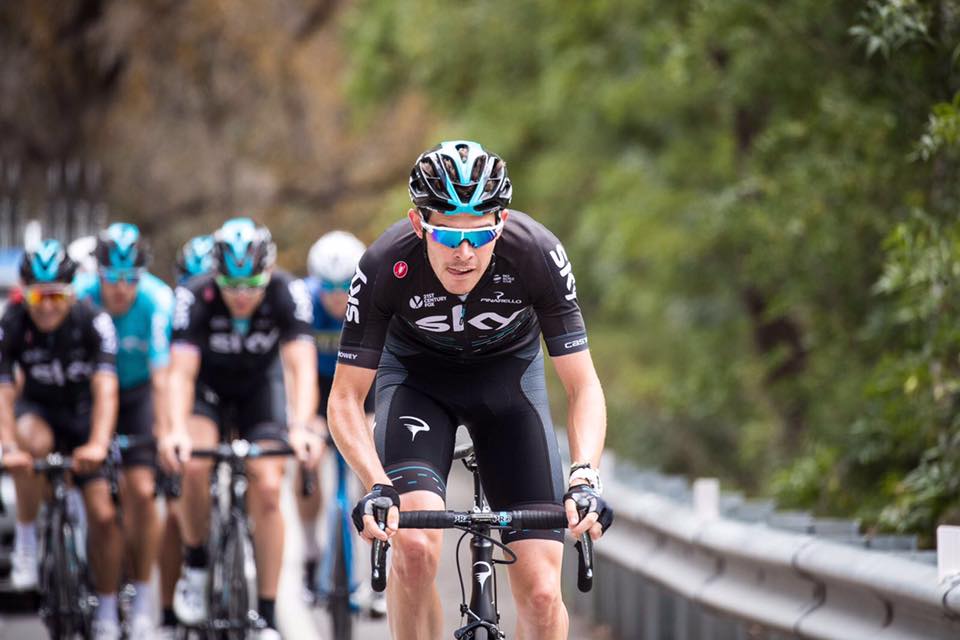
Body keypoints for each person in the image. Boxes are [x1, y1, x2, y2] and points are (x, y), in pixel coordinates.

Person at [328, 140, 614, 640]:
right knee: (414, 548)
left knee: (542, 593)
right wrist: (376, 485)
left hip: (508, 388)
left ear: (500, 223)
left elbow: (583, 385)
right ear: (419, 224)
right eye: (447, 234)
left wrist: (585, 474)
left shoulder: (536, 254)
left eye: (480, 234)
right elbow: (345, 398)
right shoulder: (384, 264)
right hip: (418, 385)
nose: (464, 253)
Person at [160, 217, 322, 639]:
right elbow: (180, 375)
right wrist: (174, 429)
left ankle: (266, 615)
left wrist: (303, 426)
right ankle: (196, 564)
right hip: (207, 393)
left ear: (268, 272)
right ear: (215, 276)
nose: (242, 295)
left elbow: (301, 368)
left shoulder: (287, 291)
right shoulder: (193, 296)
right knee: (194, 463)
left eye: (252, 284)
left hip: (259, 392)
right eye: (231, 285)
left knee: (267, 486)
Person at [0, 239, 124, 639]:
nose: (47, 307)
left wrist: (99, 444)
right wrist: (8, 446)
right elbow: (3, 391)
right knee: (28, 446)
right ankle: (27, 539)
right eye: (39, 296)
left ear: (72, 293)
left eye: (57, 296)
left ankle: (108, 609)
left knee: (104, 516)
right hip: (38, 414)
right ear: (25, 293)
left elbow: (106, 389)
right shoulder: (11, 322)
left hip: (83, 418)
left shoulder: (93, 321)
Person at [74, 222, 174, 639]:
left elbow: (163, 376)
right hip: (89, 396)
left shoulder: (157, 300)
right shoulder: (80, 296)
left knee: (142, 492)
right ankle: (104, 603)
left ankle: (145, 595)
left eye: (130, 278)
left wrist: (166, 431)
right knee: (99, 507)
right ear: (96, 274)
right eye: (111, 278)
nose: (120, 288)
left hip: (138, 394)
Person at [298, 231, 382, 612]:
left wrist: (370, 420)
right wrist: (305, 422)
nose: (336, 297)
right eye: (327, 287)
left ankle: (380, 566)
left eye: (344, 287)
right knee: (306, 460)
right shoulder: (302, 302)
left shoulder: (373, 299)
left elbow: (385, 367)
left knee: (374, 458)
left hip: (363, 388)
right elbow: (295, 369)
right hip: (318, 389)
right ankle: (310, 552)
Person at [155, 233, 216, 640]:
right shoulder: (171, 311)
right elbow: (165, 380)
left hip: (228, 398)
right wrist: (166, 432)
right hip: (185, 403)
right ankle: (166, 613)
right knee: (176, 512)